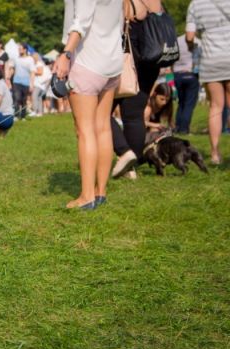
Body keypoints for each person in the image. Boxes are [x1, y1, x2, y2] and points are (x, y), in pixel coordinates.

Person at [54, 0, 124, 210]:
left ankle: (86, 196)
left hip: (87, 61)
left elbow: (81, 21)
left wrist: (66, 54)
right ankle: (100, 192)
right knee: (103, 128)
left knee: (85, 131)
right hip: (111, 62)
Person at [110, 0, 164, 180]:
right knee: (134, 114)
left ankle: (124, 153)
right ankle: (131, 167)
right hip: (153, 57)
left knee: (100, 111)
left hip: (129, 58)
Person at [187, 0, 230, 165]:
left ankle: (214, 154)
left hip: (211, 61)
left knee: (216, 107)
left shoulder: (196, 4)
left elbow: (190, 36)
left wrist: (193, 47)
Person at [173, 35, 200, 134]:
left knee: (181, 102)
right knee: (189, 104)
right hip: (191, 74)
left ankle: (177, 126)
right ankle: (184, 129)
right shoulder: (197, 41)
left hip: (178, 74)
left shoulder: (177, 40)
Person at [12, 43, 34, 120]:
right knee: (16, 98)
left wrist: (32, 84)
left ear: (25, 50)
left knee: (24, 100)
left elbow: (32, 72)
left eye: (20, 49)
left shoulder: (30, 59)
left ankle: (23, 116)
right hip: (16, 81)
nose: (19, 50)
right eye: (19, 49)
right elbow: (13, 69)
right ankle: (16, 115)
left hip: (26, 82)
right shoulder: (16, 58)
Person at [31, 52, 52, 116]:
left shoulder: (38, 63)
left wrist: (33, 72)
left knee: (34, 96)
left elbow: (40, 72)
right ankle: (40, 112)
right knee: (39, 98)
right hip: (41, 83)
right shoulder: (40, 63)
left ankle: (35, 111)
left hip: (40, 83)